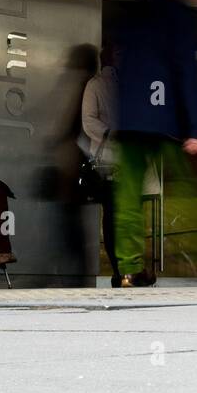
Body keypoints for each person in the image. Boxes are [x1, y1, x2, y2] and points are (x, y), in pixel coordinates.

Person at [113, 0, 197, 287]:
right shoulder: (179, 15)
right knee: (184, 187)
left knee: (128, 197)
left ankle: (129, 267)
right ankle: (191, 254)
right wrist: (195, 128)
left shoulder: (133, 12)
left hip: (130, 121)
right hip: (165, 120)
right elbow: (186, 71)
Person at [81, 43, 121, 287]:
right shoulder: (96, 84)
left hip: (124, 159)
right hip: (108, 160)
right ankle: (119, 269)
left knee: (121, 215)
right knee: (114, 214)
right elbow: (89, 120)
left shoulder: (127, 83)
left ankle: (124, 268)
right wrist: (110, 134)